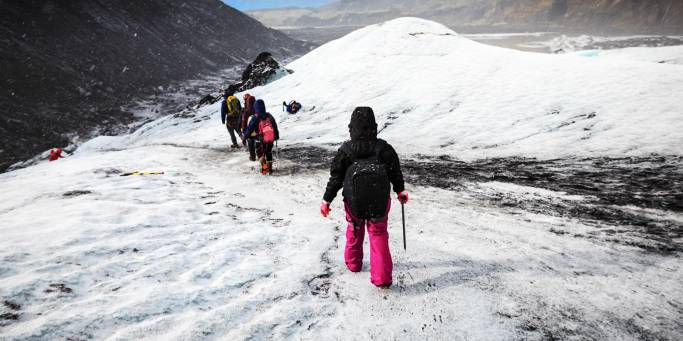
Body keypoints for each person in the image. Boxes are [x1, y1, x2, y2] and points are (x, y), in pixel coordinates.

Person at [320, 107, 408, 288]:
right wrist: (400, 191)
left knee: (354, 229)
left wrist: (326, 200)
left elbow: (335, 178)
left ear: (352, 127)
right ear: (374, 126)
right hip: (379, 200)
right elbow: (395, 173)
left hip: (353, 201)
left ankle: (353, 264)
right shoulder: (384, 148)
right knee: (378, 234)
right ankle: (382, 278)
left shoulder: (346, 150)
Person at [243, 99, 280, 175]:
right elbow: (275, 126)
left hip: (259, 139)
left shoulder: (255, 117)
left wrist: (245, 136)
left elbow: (250, 129)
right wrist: (276, 136)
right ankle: (270, 169)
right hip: (270, 139)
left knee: (260, 154)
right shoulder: (269, 115)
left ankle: (264, 169)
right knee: (268, 152)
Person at [241, 94, 257, 161]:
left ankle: (252, 157)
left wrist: (244, 132)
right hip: (258, 131)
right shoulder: (257, 109)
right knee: (260, 149)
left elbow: (244, 122)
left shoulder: (246, 111)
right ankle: (265, 169)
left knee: (250, 143)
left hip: (249, 132)